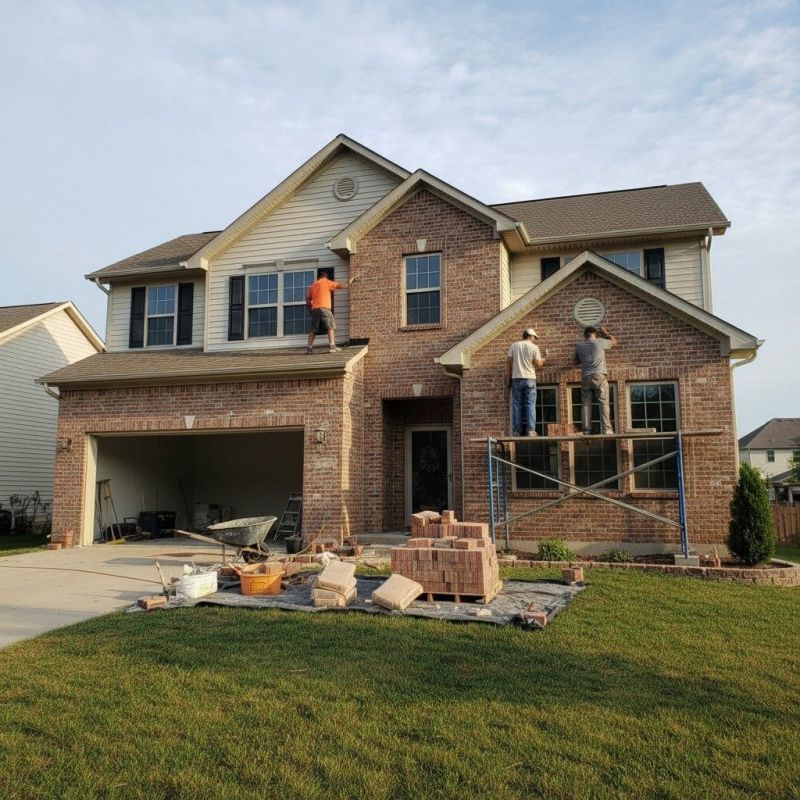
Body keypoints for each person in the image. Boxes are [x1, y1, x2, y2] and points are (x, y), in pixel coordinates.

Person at [573, 324, 617, 435]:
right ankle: (607, 430)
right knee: (603, 402)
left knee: (586, 404)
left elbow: (575, 362)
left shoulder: (579, 346)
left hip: (586, 377)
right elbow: (614, 342)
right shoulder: (600, 341)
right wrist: (606, 333)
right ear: (595, 334)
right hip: (599, 376)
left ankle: (586, 430)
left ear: (585, 335)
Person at [305, 271, 357, 353]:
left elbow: (307, 300)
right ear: (325, 276)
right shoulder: (326, 282)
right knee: (330, 326)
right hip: (325, 309)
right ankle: (332, 346)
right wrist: (350, 281)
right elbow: (343, 286)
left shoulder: (313, 285)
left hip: (315, 310)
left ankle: (309, 348)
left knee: (313, 329)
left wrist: (312, 308)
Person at [507, 328, 545, 436]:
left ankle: (516, 431)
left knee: (516, 404)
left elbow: (509, 362)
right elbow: (538, 364)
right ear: (530, 336)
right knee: (530, 404)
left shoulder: (514, 346)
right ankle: (531, 431)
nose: (534, 340)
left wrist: (509, 376)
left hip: (516, 378)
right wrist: (544, 359)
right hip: (530, 379)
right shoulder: (534, 347)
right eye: (534, 337)